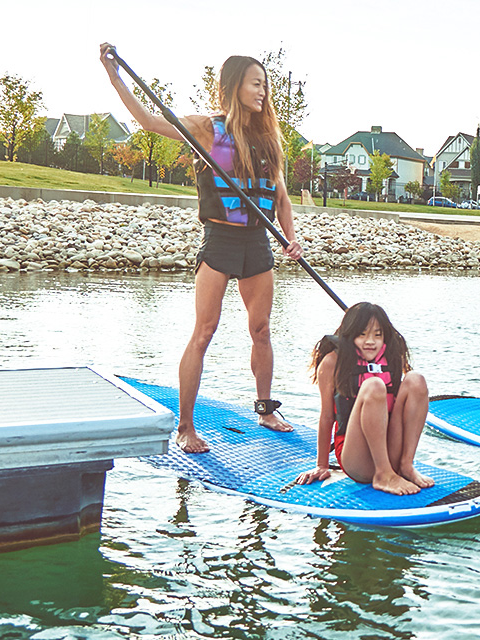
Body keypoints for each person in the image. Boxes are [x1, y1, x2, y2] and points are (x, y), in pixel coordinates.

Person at [100, 44, 303, 453]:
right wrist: (114, 73)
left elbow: (280, 196)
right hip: (221, 240)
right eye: (256, 83)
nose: (263, 91)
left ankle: (265, 408)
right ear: (234, 87)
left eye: (266, 84)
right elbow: (147, 120)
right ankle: (186, 427)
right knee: (204, 332)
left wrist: (290, 236)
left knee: (261, 330)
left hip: (257, 243)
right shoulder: (208, 128)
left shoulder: (267, 138)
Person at [294, 302, 433, 495]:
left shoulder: (392, 358)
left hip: (389, 449)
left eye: (378, 334)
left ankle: (406, 465)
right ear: (349, 335)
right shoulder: (332, 362)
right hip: (356, 458)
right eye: (362, 334)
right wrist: (321, 465)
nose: (370, 341)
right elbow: (327, 416)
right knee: (374, 385)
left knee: (416, 380)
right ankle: (383, 475)